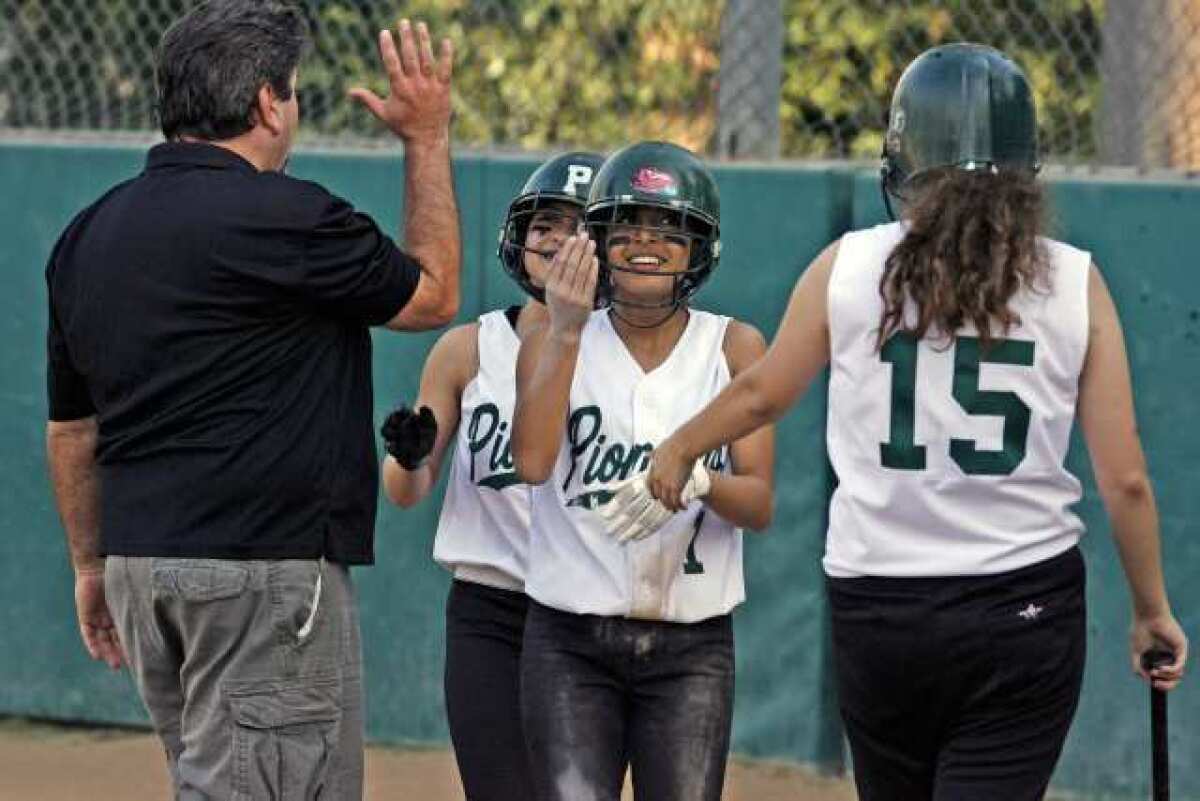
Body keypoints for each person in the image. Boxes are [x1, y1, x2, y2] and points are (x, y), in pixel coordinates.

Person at [643, 44, 1188, 801]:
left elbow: (764, 392)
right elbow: (1124, 479)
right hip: (1021, 606)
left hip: (882, 608)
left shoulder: (849, 265)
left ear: (904, 158)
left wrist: (680, 445)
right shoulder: (1073, 280)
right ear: (1027, 165)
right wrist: (1151, 610)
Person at [44, 2, 459, 799]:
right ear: (269, 103)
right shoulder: (291, 216)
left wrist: (89, 564)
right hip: (257, 574)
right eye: (294, 91)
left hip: (141, 574)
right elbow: (434, 293)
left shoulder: (86, 234)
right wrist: (428, 138)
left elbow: (72, 429)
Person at [510, 141, 775, 801]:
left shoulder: (735, 346)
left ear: (699, 247)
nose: (646, 244)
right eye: (627, 227)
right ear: (597, 241)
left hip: (692, 648)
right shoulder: (551, 334)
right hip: (569, 639)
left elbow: (760, 502)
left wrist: (702, 479)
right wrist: (567, 328)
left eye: (668, 230)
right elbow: (534, 462)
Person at [379, 151, 604, 801]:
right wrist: (410, 454)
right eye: (546, 224)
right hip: (490, 612)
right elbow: (405, 491)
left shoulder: (626, 347)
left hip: (587, 608)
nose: (559, 239)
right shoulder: (469, 348)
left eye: (581, 226)